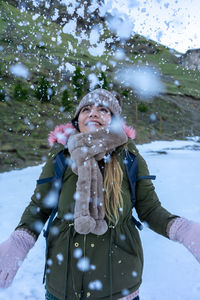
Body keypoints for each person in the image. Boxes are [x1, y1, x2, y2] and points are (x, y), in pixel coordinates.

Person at [0, 88, 199, 300]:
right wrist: (19, 241)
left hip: (118, 286)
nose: (93, 113)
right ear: (78, 119)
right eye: (86, 109)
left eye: (103, 109)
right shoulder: (61, 156)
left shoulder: (129, 157)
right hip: (62, 287)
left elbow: (149, 209)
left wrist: (184, 230)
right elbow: (39, 207)